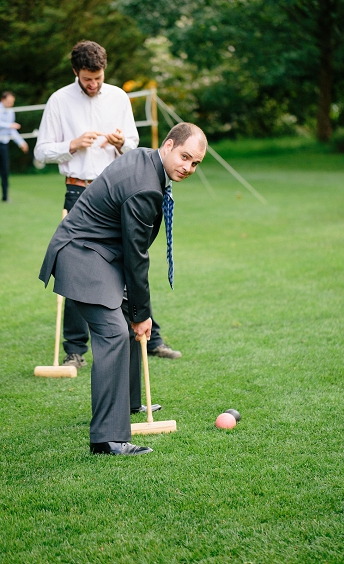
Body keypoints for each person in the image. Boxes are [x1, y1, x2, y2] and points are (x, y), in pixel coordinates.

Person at [39, 122, 207, 455]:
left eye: (195, 163)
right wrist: (142, 315)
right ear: (169, 145)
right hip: (81, 255)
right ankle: (107, 438)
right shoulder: (145, 185)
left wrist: (136, 311)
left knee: (127, 328)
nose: (187, 167)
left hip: (100, 254)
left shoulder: (146, 160)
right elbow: (136, 256)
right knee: (115, 332)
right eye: (185, 157)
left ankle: (129, 404)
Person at [33, 40, 182, 385]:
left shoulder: (118, 97)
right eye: (87, 78)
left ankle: (149, 336)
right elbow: (41, 150)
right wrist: (72, 145)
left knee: (132, 258)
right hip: (80, 191)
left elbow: (133, 143)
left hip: (122, 190)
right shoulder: (59, 100)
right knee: (79, 269)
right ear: (76, 72)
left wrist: (120, 143)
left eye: (98, 77)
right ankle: (75, 348)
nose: (94, 84)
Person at [0, 91, 29, 202]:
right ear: (2, 100)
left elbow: (12, 131)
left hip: (4, 144)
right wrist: (10, 125)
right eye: (8, 102)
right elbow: (9, 126)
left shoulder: (11, 111)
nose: (10, 104)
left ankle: (5, 196)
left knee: (5, 171)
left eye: (12, 102)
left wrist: (21, 143)